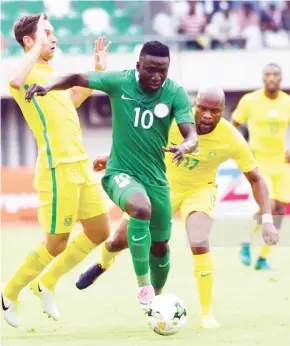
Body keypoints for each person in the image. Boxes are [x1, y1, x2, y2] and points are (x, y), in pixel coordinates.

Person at [75, 86, 279, 328]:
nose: (206, 115)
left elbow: (256, 179)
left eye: (214, 111)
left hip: (200, 191)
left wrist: (267, 219)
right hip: (162, 186)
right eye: (202, 108)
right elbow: (140, 143)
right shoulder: (173, 122)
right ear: (195, 105)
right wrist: (110, 156)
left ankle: (207, 315)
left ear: (223, 111)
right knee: (117, 242)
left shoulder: (231, 137)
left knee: (199, 241)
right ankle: (103, 264)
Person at [24, 40, 199, 311]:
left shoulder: (174, 92)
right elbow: (77, 77)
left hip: (156, 179)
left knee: (161, 245)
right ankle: (144, 288)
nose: (156, 76)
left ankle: (158, 299)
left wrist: (185, 146)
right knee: (141, 209)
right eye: (150, 69)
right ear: (138, 65)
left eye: (162, 70)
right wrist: (49, 86)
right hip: (120, 173)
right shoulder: (120, 81)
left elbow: (191, 135)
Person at [2, 14, 112, 328]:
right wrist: (35, 48)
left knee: (99, 233)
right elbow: (13, 82)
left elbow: (72, 99)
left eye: (52, 33)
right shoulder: (23, 69)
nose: (53, 38)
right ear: (28, 41)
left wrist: (98, 72)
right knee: (56, 243)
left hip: (81, 164)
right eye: (46, 33)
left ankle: (46, 283)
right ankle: (9, 293)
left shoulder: (51, 73)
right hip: (56, 168)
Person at [231, 63, 290, 270]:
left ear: (281, 78)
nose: (271, 78)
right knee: (269, 206)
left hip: (282, 164)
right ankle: (246, 241)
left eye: (275, 74)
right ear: (263, 78)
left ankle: (263, 258)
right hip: (260, 163)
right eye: (268, 75)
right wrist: (241, 150)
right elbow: (233, 125)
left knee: (281, 210)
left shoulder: (287, 102)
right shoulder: (250, 101)